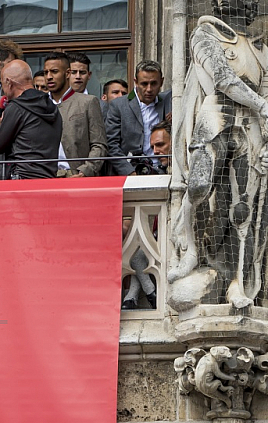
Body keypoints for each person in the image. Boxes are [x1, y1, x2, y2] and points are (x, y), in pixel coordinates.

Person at [169, 0, 268, 308]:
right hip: (216, 119)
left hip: (249, 128)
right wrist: (262, 106)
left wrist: (266, 141)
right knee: (198, 186)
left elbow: (265, 88)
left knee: (243, 207)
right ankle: (193, 253)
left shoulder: (259, 47)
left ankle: (239, 281)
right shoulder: (205, 34)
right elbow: (223, 78)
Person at [122, 120, 171, 310]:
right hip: (156, 229)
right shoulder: (160, 169)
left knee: (137, 252)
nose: (156, 151)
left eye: (161, 145)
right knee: (136, 250)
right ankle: (148, 294)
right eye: (152, 147)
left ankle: (138, 295)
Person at [0, 60, 62, 179]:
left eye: (2, 84)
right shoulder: (52, 107)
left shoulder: (17, 107)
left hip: (22, 178)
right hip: (48, 179)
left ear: (9, 83)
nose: (3, 91)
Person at [43, 52, 106, 177]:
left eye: (54, 71)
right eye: (46, 72)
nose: (49, 76)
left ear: (67, 73)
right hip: (45, 177)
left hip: (76, 176)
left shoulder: (87, 102)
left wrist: (85, 171)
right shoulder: (38, 105)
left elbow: (99, 144)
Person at [105, 60, 170, 176]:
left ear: (162, 82)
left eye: (154, 83)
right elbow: (111, 144)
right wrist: (129, 171)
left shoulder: (169, 101)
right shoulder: (118, 106)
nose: (149, 89)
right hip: (130, 173)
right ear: (135, 82)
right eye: (144, 84)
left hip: (164, 171)